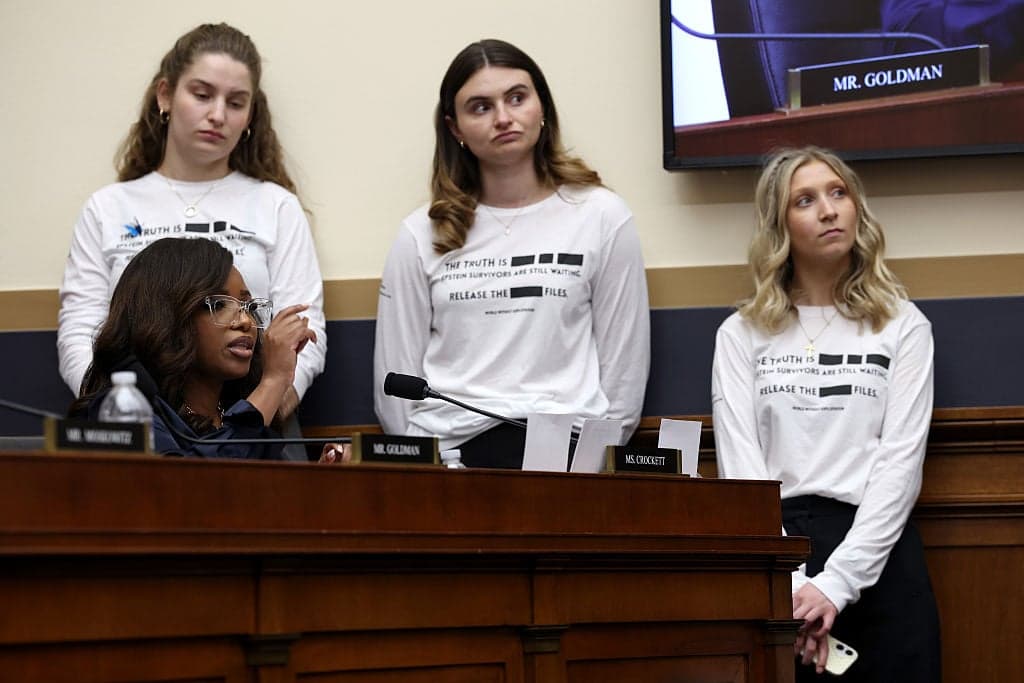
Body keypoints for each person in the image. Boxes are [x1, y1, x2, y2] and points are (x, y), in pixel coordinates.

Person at [711, 146, 940, 681]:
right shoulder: (740, 334)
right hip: (777, 555)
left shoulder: (903, 325)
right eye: (806, 200)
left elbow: (899, 467)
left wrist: (836, 585)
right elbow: (742, 469)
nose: (829, 210)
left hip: (878, 557)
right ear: (779, 224)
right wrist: (794, 591)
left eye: (839, 193)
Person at [373, 39, 650, 468]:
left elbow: (624, 377)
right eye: (480, 107)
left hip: (567, 456)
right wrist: (432, 471)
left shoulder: (601, 216)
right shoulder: (420, 233)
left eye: (517, 98)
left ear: (543, 108)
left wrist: (590, 467)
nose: (503, 118)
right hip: (451, 462)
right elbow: (394, 389)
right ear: (455, 128)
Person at [57, 23, 326, 459]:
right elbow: (81, 330)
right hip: (142, 429)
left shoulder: (276, 205)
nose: (218, 114)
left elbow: (301, 326)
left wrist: (257, 408)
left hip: (254, 417)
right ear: (165, 95)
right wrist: (130, 410)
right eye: (202, 95)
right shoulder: (109, 207)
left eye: (236, 102)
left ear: (250, 117)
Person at [70, 238, 320, 460]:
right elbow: (191, 489)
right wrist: (273, 381)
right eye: (219, 304)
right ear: (167, 317)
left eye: (248, 306)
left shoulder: (235, 406)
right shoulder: (124, 408)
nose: (245, 322)